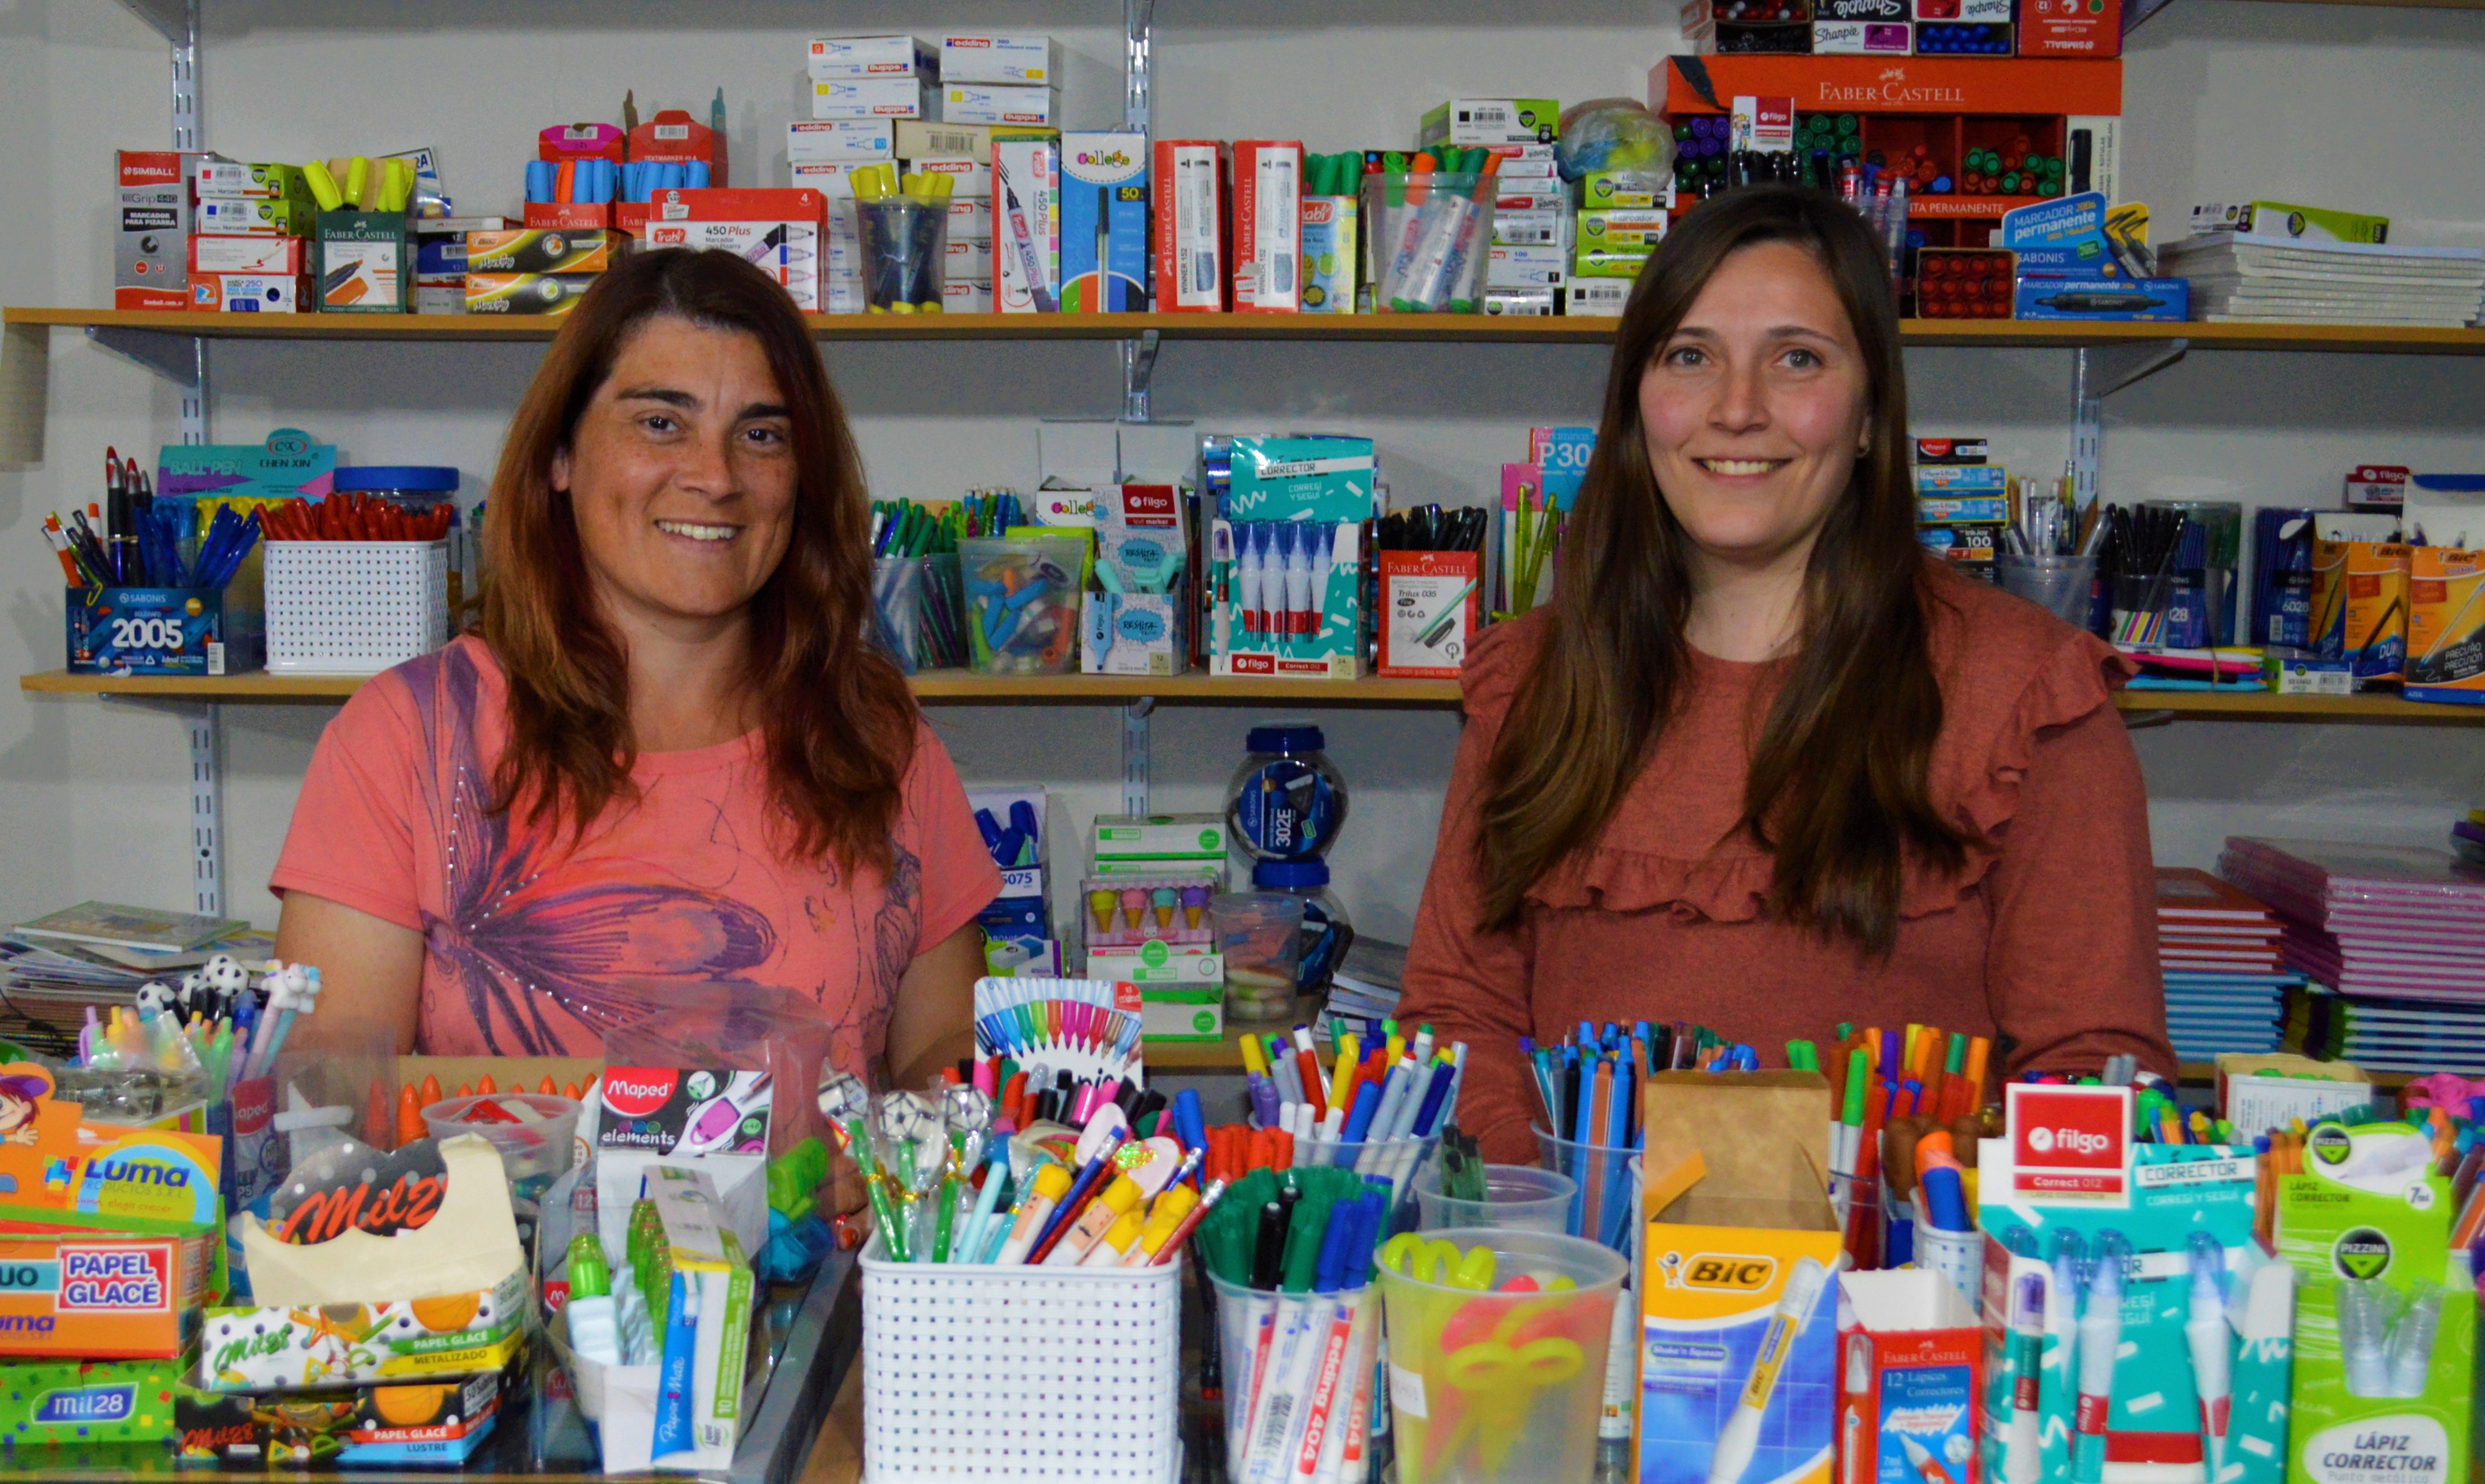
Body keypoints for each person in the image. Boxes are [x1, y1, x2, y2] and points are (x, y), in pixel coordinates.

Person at [1394, 188, 2174, 1164]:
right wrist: (1538, 1224)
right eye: (1691, 356)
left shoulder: (2027, 696)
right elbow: (1463, 1013)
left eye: (1796, 358)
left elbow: (2093, 1067)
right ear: (1638, 405)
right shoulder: (1537, 682)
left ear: (1866, 418)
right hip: (1585, 1284)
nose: (1737, 408)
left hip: (1898, 1295)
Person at [270, 249, 999, 1095]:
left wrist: (913, 1137)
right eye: (661, 422)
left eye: (761, 435)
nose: (715, 477)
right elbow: (326, 1097)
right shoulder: (405, 738)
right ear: (561, 456)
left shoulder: (877, 734)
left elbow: (942, 1035)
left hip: (819, 1231)